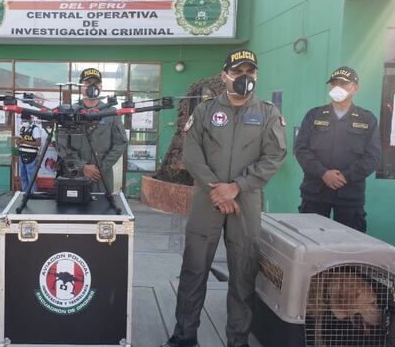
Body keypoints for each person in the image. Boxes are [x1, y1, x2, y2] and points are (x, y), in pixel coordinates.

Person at [162, 49, 287, 347]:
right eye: (238, 72)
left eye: (250, 73)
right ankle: (184, 335)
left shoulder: (268, 112)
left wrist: (237, 187)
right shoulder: (204, 111)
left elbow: (275, 155)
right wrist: (217, 189)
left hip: (246, 201)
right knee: (193, 270)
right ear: (224, 76)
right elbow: (191, 155)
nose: (244, 78)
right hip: (208, 200)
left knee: (243, 272)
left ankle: (237, 339)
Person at [294, 66, 380, 232]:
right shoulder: (314, 115)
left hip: (350, 196)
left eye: (343, 83)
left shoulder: (367, 119)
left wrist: (345, 177)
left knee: (350, 247)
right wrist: (323, 174)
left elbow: (373, 157)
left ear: (355, 88)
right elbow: (301, 149)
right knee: (311, 244)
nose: (337, 87)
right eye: (334, 83)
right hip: (315, 194)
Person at [56, 67, 128, 192]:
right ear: (81, 86)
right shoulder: (70, 112)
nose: (92, 86)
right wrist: (82, 166)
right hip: (75, 174)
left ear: (101, 87)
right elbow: (61, 144)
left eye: (96, 83)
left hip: (101, 177)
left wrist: (101, 167)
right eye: (88, 83)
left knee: (102, 208)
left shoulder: (110, 112)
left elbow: (120, 142)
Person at [15, 113, 42, 193]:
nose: (24, 122)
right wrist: (18, 141)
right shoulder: (22, 129)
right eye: (23, 121)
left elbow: (38, 143)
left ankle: (33, 194)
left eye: (26, 121)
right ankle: (24, 193)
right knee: (23, 177)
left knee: (31, 177)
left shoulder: (35, 129)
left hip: (32, 156)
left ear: (30, 120)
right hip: (22, 155)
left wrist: (24, 141)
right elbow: (19, 141)